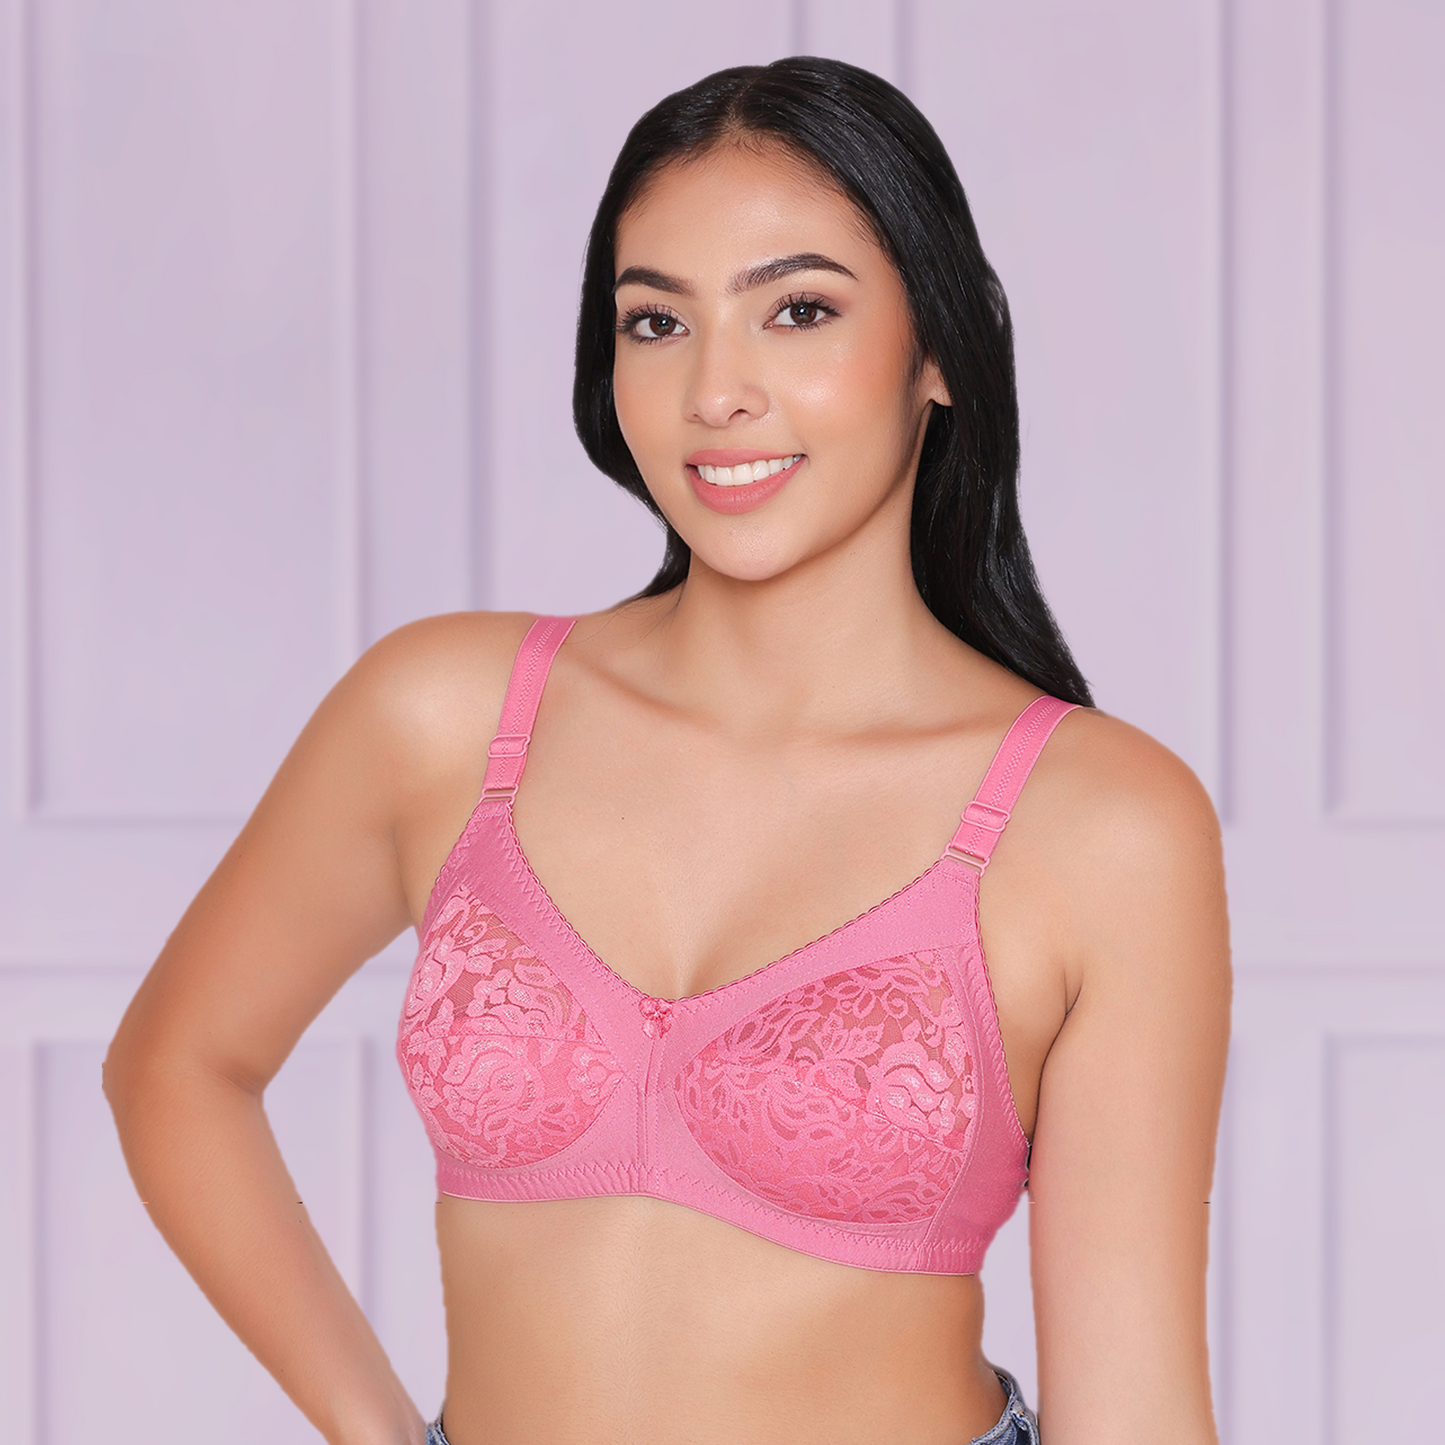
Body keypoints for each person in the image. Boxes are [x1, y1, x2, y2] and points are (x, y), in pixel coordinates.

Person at [104, 57, 1230, 1445]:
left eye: (798, 311)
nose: (716, 392)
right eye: (657, 322)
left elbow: (1136, 1409)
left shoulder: (1102, 824)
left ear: (938, 349)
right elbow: (177, 1067)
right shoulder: (444, 717)